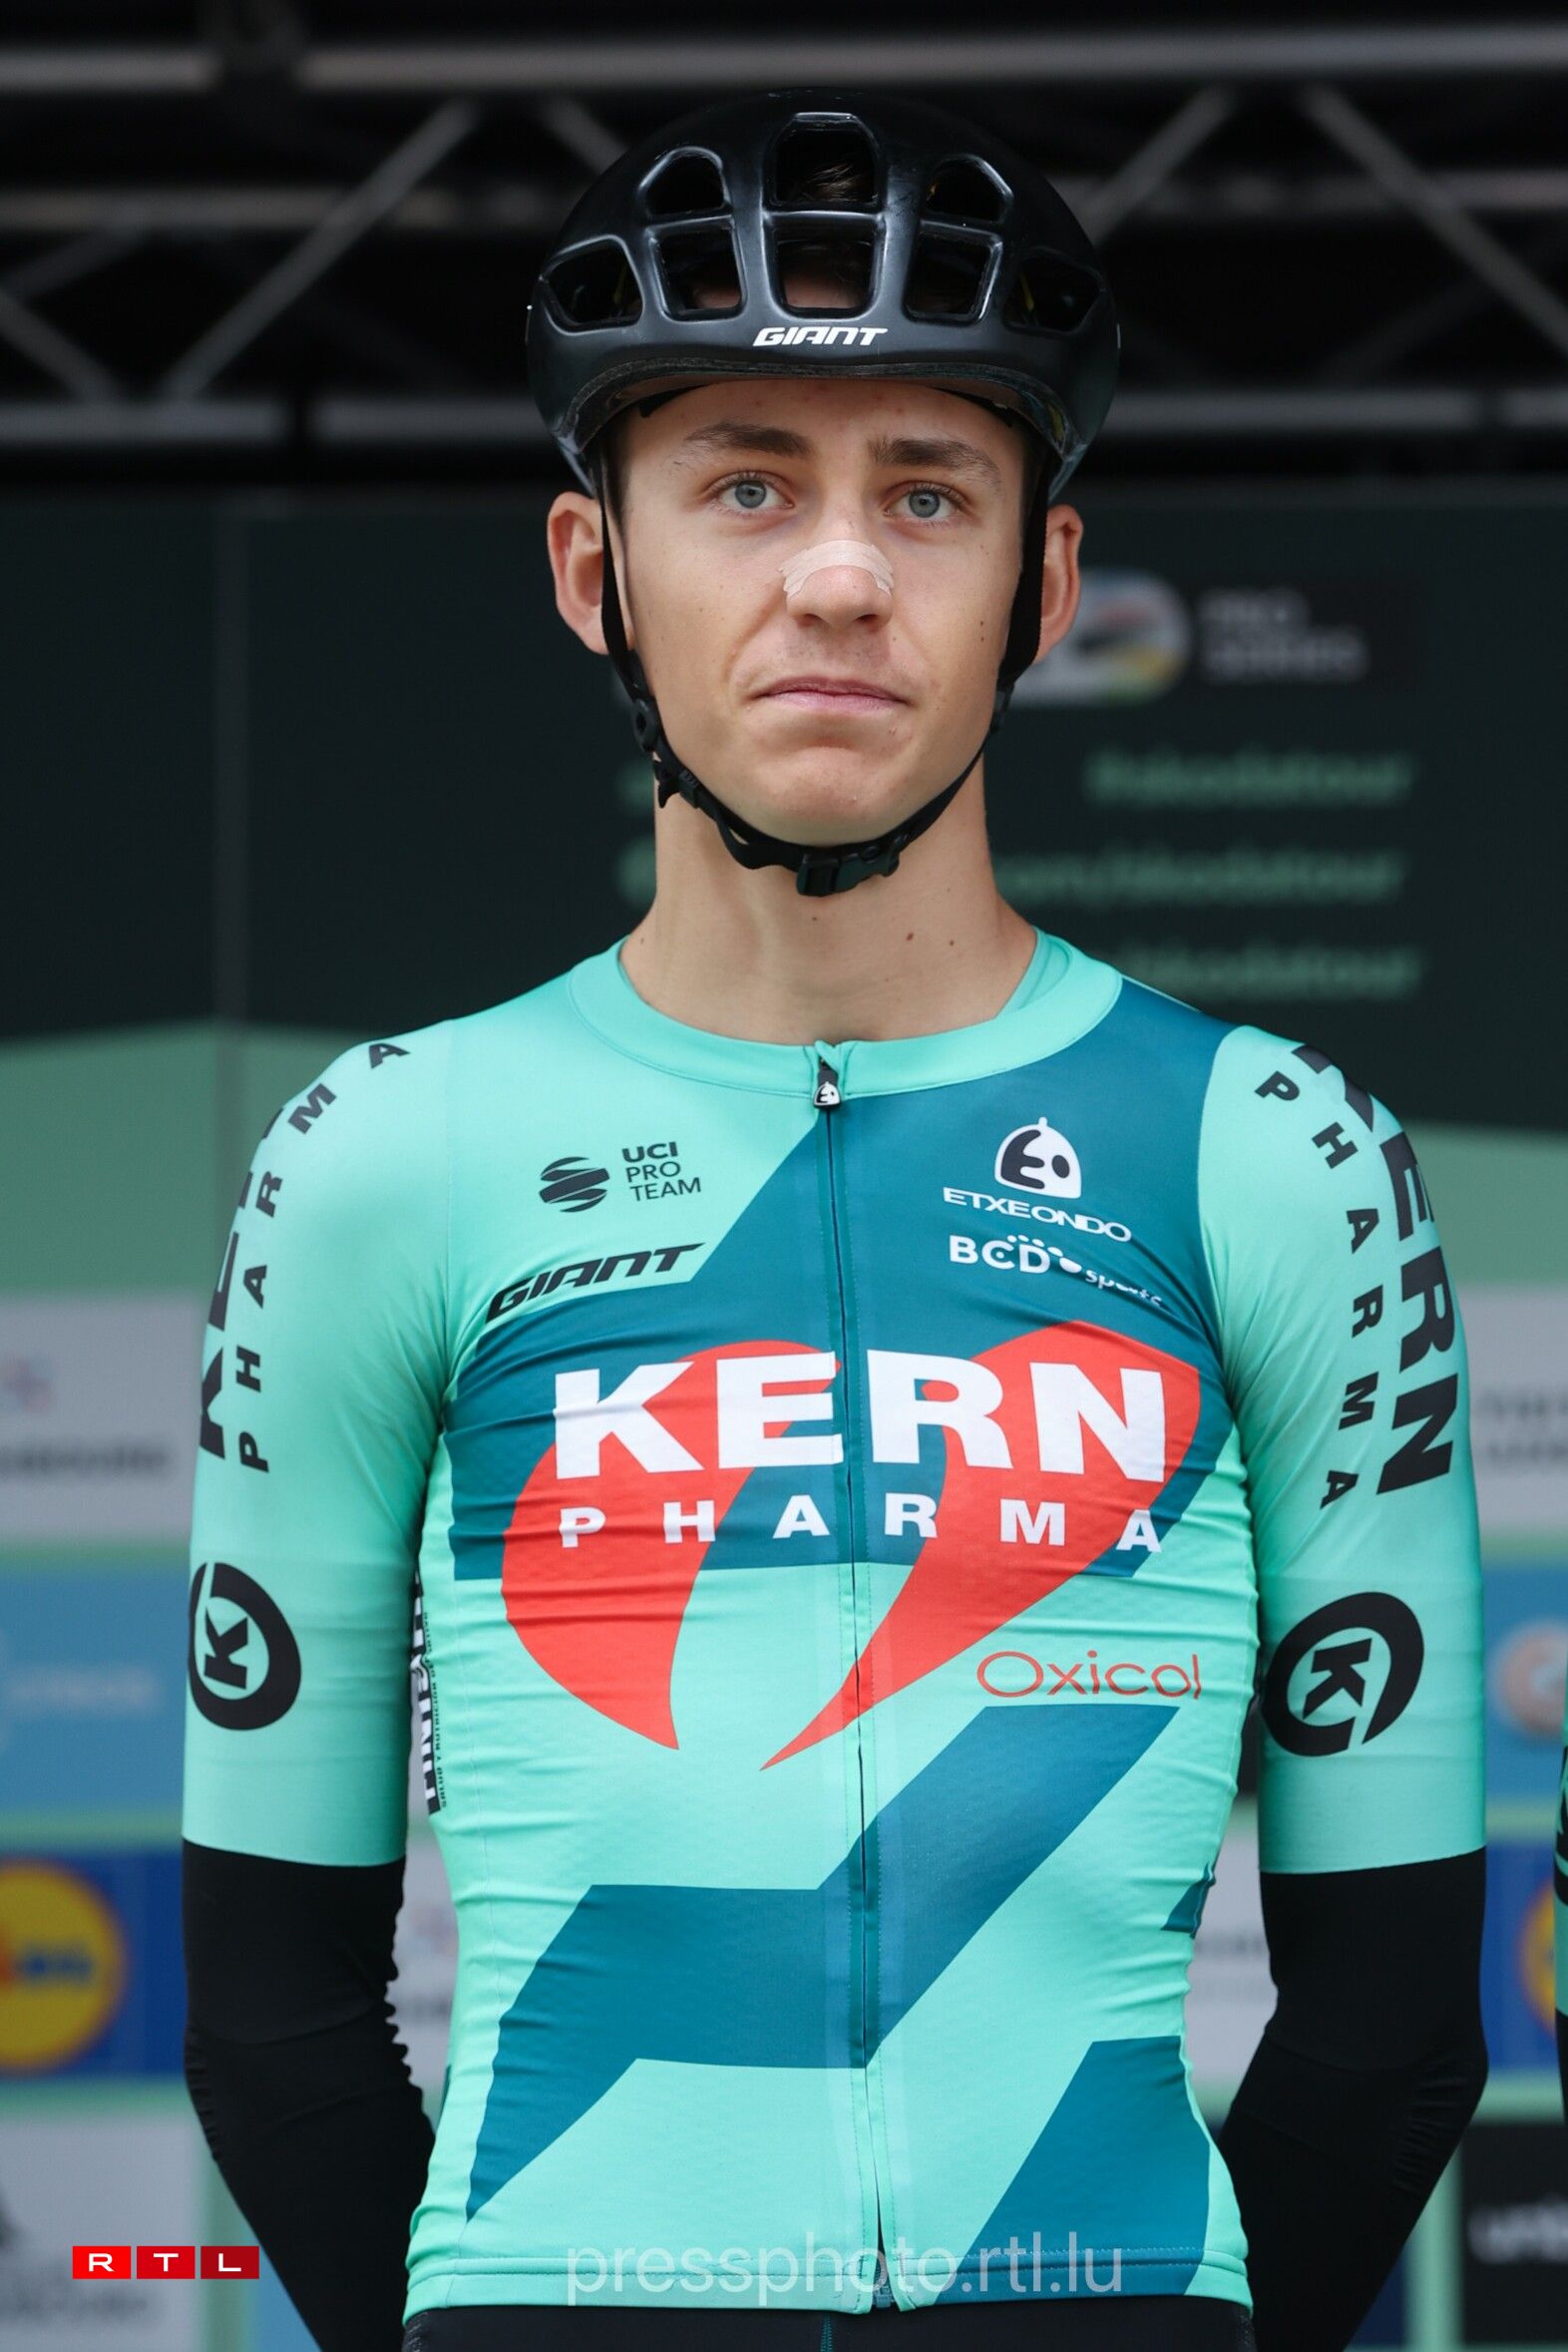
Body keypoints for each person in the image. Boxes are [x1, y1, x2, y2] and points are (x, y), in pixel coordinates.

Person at [181, 90, 1487, 2352]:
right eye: (747, 483)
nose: (844, 576)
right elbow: (271, 2017)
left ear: (1046, 586)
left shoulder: (1279, 1150)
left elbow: (1390, 2027)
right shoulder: (388, 1149)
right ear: (592, 568)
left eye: (930, 491)